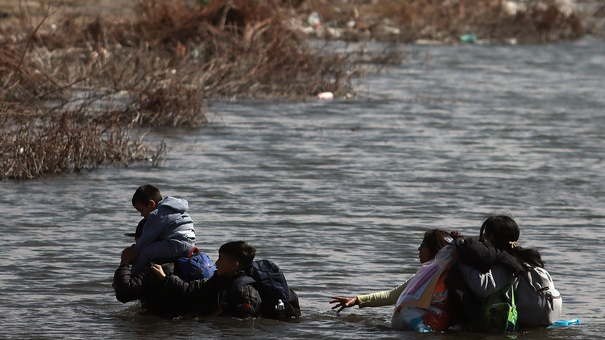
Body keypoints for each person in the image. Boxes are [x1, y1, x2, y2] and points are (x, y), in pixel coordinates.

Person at [330, 229, 461, 332]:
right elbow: (392, 295)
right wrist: (357, 300)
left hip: (427, 330)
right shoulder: (421, 278)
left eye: (423, 245)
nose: (419, 249)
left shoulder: (450, 277)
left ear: (435, 249)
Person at [446, 214, 560, 331]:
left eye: (485, 233)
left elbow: (482, 287)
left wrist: (461, 261)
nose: (482, 237)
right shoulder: (526, 258)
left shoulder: (508, 263)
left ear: (490, 237)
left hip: (512, 323)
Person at [151, 240, 262, 319]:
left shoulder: (246, 292)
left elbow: (245, 325)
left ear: (234, 265)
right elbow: (191, 290)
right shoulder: (219, 280)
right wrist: (165, 278)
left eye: (221, 259)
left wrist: (216, 318)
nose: (216, 263)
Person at [124, 184, 196, 273]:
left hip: (177, 244)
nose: (141, 215)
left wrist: (134, 251)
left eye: (141, 210)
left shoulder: (158, 214)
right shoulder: (173, 208)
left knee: (145, 252)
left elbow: (147, 237)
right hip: (190, 242)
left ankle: (133, 274)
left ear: (151, 204)